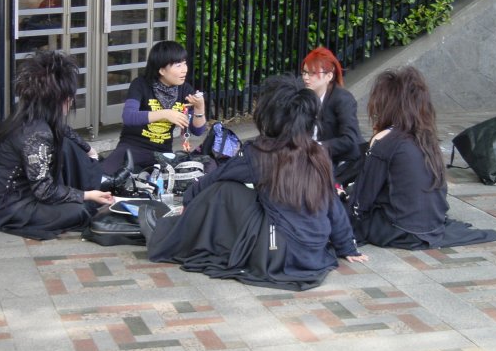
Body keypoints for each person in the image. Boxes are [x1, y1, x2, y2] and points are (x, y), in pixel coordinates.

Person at [147, 74, 368, 291]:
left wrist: (188, 201)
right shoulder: (318, 152)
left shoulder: (260, 152)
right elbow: (332, 204)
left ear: (270, 115)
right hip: (312, 253)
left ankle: (179, 232)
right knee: (235, 191)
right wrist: (347, 246)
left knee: (223, 190)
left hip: (276, 253)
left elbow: (214, 178)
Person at [348, 66, 496, 249]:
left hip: (399, 230)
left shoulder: (386, 140)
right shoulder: (425, 137)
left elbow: (362, 201)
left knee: (336, 208)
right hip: (432, 225)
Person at [0, 50, 127, 240]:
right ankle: (99, 184)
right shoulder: (36, 134)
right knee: (80, 211)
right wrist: (85, 195)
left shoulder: (29, 116)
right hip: (6, 206)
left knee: (68, 146)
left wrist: (88, 148)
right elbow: (44, 190)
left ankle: (100, 181)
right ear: (59, 100)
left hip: (2, 197)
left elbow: (64, 130)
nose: (71, 102)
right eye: (69, 97)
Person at [101, 41, 207, 174]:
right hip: (132, 148)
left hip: (162, 153)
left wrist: (200, 108)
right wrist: (165, 114)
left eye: (184, 63)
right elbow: (128, 117)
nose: (184, 69)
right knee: (104, 178)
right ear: (162, 70)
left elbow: (198, 131)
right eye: (178, 65)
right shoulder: (140, 85)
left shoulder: (185, 89)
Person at [301, 46, 365, 185]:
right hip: (318, 160)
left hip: (345, 163)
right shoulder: (306, 98)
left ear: (329, 76)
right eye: (304, 72)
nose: (306, 77)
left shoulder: (342, 99)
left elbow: (349, 139)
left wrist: (317, 147)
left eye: (312, 73)